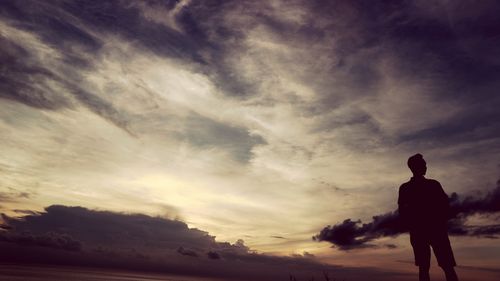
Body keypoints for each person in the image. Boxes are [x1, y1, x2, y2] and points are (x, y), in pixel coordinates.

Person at [398, 154, 459, 281]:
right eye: (423, 164)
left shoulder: (410, 187)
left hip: (430, 229)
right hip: (428, 230)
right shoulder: (423, 186)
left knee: (440, 266)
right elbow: (402, 211)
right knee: (429, 267)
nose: (426, 167)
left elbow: (445, 206)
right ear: (415, 167)